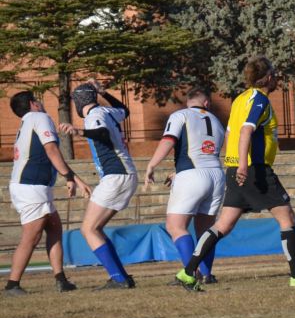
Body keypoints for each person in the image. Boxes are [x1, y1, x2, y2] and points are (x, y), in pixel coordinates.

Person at [174, 57, 295, 290]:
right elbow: (246, 131)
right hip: (254, 170)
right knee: (287, 218)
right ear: (268, 76)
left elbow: (230, 134)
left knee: (223, 225)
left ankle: (188, 272)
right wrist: (242, 166)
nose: (277, 77)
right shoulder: (259, 100)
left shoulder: (240, 99)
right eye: (275, 73)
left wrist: (232, 164)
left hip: (236, 169)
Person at [5, 91, 91, 296]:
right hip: (32, 187)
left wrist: (72, 178)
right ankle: (12, 285)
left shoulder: (28, 121)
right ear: (32, 104)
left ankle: (61, 280)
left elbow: (49, 153)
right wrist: (71, 177)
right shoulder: (40, 117)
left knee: (54, 228)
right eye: (37, 100)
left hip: (31, 186)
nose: (41, 103)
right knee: (31, 237)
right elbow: (51, 149)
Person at [59, 80, 138, 289]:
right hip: (124, 173)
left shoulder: (94, 116)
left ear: (78, 102)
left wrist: (78, 132)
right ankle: (121, 276)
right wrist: (105, 93)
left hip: (116, 175)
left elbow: (102, 134)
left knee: (88, 229)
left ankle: (119, 279)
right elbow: (124, 110)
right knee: (96, 229)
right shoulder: (106, 111)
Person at [145, 86, 225, 285]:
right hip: (216, 174)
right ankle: (207, 274)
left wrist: (152, 164)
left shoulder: (181, 114)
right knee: (206, 230)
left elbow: (168, 140)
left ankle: (191, 272)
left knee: (175, 226)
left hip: (192, 175)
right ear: (206, 103)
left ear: (188, 102)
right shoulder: (216, 121)